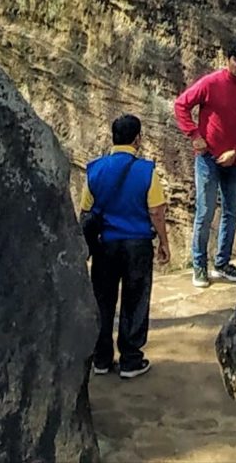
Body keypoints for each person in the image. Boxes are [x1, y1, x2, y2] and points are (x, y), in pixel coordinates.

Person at [78, 112, 170, 381]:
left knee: (103, 300)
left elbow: (86, 210)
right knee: (135, 299)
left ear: (113, 137)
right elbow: (156, 212)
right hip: (137, 245)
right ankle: (130, 359)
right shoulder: (146, 171)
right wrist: (164, 242)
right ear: (138, 139)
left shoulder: (95, 169)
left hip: (105, 245)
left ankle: (101, 358)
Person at [172, 35, 236, 285]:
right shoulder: (211, 83)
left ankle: (222, 264)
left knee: (231, 213)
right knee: (205, 212)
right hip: (208, 158)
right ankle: (199, 265)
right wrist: (194, 135)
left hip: (235, 161)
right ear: (227, 60)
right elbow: (181, 105)